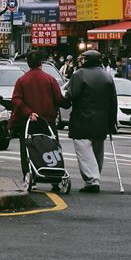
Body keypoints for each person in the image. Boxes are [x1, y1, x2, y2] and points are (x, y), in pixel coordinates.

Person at [9, 50, 68, 185]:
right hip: (48, 121)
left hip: (29, 121)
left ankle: (30, 175)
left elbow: (16, 100)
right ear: (41, 63)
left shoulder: (22, 80)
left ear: (28, 64)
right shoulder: (50, 79)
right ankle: (55, 177)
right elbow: (59, 99)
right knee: (52, 147)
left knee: (28, 149)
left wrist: (29, 112)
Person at [66, 49, 117, 193]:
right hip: (102, 122)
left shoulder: (79, 75)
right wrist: (112, 122)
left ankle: (92, 179)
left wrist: (61, 100)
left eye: (83, 59)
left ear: (88, 60)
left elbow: (71, 95)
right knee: (97, 151)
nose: (80, 61)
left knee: (84, 151)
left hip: (82, 120)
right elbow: (113, 101)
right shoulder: (107, 77)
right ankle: (95, 177)